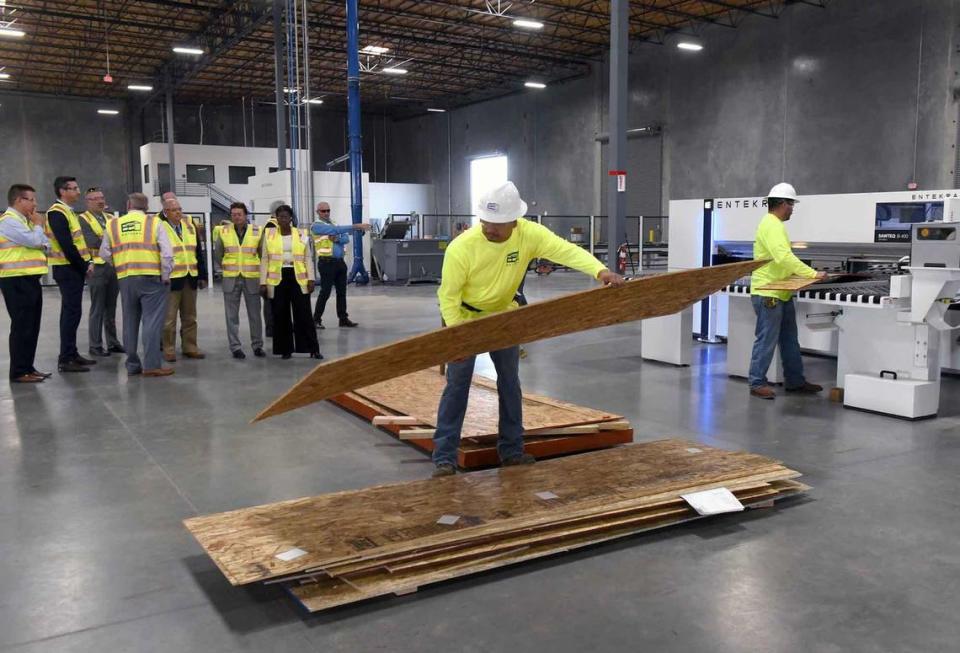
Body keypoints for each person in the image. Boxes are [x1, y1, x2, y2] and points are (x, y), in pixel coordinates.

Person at [431, 181, 625, 477]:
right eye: (485, 221)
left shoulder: (529, 235)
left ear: (514, 221)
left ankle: (511, 450)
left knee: (510, 383)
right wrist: (456, 336)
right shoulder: (462, 247)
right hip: (464, 318)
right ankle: (444, 456)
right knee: (457, 386)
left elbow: (565, 250)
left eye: (497, 224)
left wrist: (600, 270)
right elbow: (448, 297)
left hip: (505, 316)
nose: (489, 228)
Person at [748, 182, 827, 400]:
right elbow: (784, 257)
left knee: (790, 339)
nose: (792, 209)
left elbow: (782, 260)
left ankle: (795, 381)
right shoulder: (771, 225)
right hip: (768, 293)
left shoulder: (775, 225)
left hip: (781, 292)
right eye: (791, 204)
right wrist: (812, 274)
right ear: (783, 204)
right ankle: (756, 382)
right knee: (766, 340)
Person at [100, 192, 175, 377]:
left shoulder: (113, 224)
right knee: (151, 321)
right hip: (151, 278)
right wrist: (165, 275)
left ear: (128, 206)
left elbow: (104, 253)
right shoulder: (154, 222)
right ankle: (151, 366)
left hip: (126, 278)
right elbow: (167, 253)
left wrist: (119, 264)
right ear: (146, 207)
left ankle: (132, 365)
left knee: (129, 321)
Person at [0, 184, 52, 383]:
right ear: (18, 200)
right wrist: (39, 226)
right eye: (31, 199)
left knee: (32, 326)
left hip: (29, 278)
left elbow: (45, 244)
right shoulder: (9, 221)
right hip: (16, 279)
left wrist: (38, 235)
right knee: (22, 326)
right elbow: (33, 241)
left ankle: (28, 367)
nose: (35, 204)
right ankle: (19, 371)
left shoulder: (25, 221)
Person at [45, 176, 95, 373]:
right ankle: (65, 359)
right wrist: (84, 266)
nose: (78, 191)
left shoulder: (69, 212)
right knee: (70, 313)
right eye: (73, 188)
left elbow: (78, 244)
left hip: (73, 268)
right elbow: (67, 246)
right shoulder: (57, 213)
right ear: (62, 191)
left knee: (74, 312)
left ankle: (72, 353)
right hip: (67, 269)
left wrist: (86, 262)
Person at [260, 205, 322, 360]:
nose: (283, 219)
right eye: (280, 216)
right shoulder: (269, 234)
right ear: (276, 218)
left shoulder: (301, 234)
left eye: (286, 216)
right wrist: (262, 282)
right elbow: (265, 259)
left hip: (298, 277)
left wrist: (311, 278)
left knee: (304, 313)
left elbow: (308, 257)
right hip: (277, 278)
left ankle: (312, 348)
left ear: (291, 218)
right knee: (280, 314)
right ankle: (285, 349)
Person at [213, 202, 265, 359]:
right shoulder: (223, 231)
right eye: (233, 214)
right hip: (231, 278)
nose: (236, 217)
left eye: (239, 214)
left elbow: (263, 255)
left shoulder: (257, 231)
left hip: (252, 279)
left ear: (246, 215)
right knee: (231, 316)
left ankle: (257, 345)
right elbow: (218, 254)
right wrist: (228, 268)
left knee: (255, 314)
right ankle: (235, 347)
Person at [158, 197, 207, 361]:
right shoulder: (160, 227)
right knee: (169, 319)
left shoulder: (189, 226)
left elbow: (198, 251)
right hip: (170, 279)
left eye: (180, 209)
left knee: (190, 317)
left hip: (190, 277)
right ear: (166, 212)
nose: (178, 212)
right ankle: (169, 349)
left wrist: (202, 275)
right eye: (174, 210)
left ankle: (190, 346)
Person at [78, 187, 124, 357]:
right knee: (97, 307)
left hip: (112, 266)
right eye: (95, 198)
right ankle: (95, 345)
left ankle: (113, 343)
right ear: (87, 202)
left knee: (111, 307)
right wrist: (109, 240)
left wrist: (106, 240)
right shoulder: (82, 219)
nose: (100, 201)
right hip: (96, 268)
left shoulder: (111, 218)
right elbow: (91, 241)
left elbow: (116, 239)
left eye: (102, 197)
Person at [310, 201, 371, 328]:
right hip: (326, 263)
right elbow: (335, 230)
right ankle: (316, 319)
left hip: (339, 263)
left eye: (328, 210)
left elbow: (346, 238)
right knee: (325, 292)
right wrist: (356, 226)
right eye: (323, 211)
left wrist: (337, 238)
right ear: (318, 212)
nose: (326, 213)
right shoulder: (316, 226)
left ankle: (343, 319)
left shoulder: (335, 224)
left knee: (342, 292)